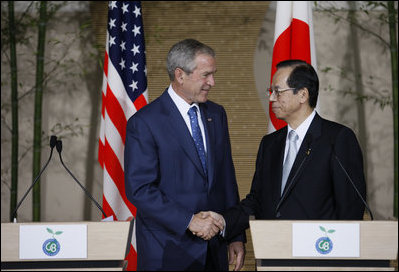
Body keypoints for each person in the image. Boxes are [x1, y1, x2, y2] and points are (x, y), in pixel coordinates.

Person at [200, 59, 367, 240]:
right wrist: (223, 220)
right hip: (273, 252)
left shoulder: (337, 139)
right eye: (271, 91)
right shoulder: (270, 143)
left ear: (303, 95)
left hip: (319, 255)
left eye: (278, 92)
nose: (271, 98)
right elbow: (257, 201)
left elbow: (350, 209)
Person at [124, 39, 245, 271]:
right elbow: (139, 189)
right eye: (206, 75)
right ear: (180, 75)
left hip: (214, 249)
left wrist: (235, 234)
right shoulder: (145, 122)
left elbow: (226, 180)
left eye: (213, 75)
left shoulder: (217, 114)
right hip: (168, 250)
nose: (212, 82)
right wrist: (189, 221)